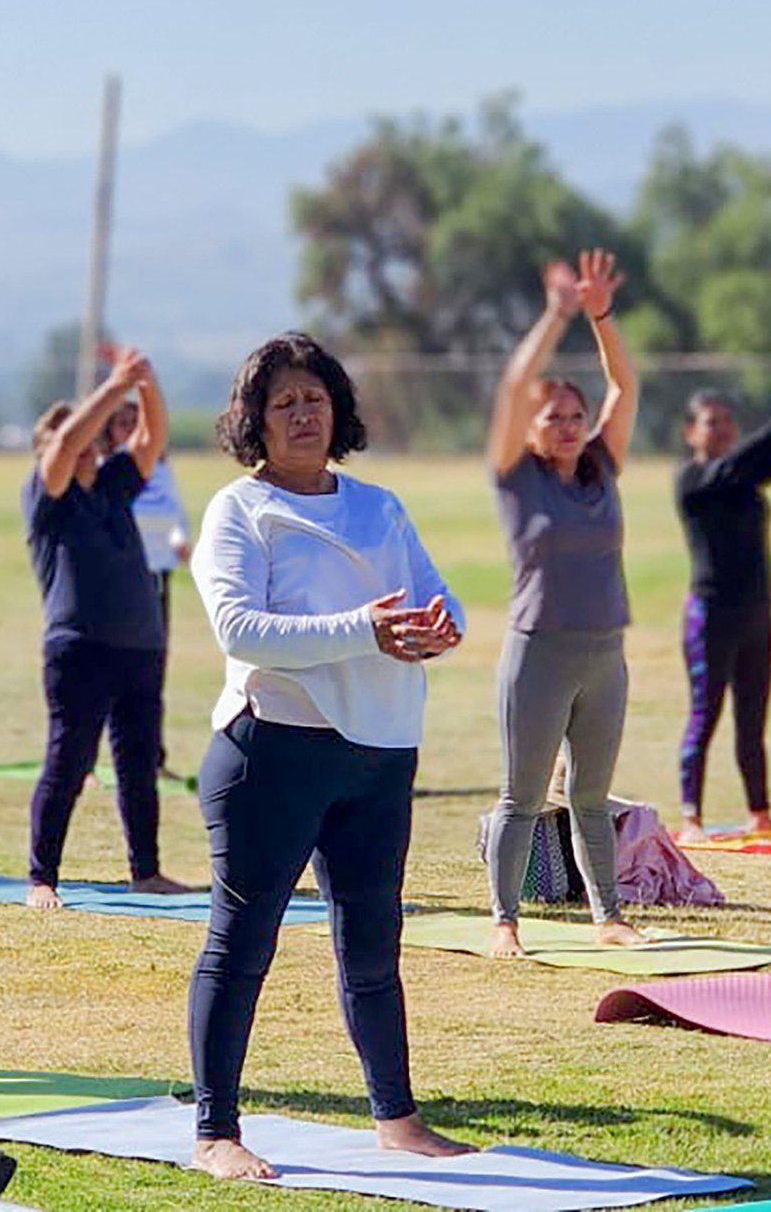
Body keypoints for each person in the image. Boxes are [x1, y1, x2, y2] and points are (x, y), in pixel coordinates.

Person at [186, 333, 474, 1182]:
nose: (304, 412)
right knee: (242, 944)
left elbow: (431, 591)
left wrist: (441, 626)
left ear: (338, 410)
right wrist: (365, 630)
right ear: (255, 422)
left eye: (315, 397)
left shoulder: (379, 505)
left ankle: (399, 1118)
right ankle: (214, 1131)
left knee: (373, 944)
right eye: (284, 402)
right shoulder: (239, 509)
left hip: (380, 752)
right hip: (272, 750)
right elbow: (241, 629)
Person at [485, 249, 647, 956]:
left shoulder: (601, 467)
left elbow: (625, 383)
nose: (567, 424)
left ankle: (608, 916)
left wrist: (601, 315)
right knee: (523, 797)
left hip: (605, 653)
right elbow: (517, 381)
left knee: (589, 795)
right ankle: (505, 922)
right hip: (539, 653)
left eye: (575, 414)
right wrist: (557, 314)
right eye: (553, 416)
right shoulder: (516, 476)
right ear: (528, 426)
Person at [22, 347, 188, 908]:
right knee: (69, 762)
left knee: (139, 766)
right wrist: (115, 385)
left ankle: (147, 870)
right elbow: (66, 443)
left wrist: (146, 383)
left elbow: (151, 437)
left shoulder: (114, 484)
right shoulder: (50, 498)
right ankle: (42, 878)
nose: (85, 448)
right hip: (80, 648)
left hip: (138, 645)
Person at [670, 374, 771, 841]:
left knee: (752, 720)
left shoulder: (744, 479)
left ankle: (760, 812)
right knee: (704, 714)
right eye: (711, 423)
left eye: (728, 422)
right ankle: (691, 817)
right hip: (710, 616)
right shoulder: (692, 481)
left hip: (756, 613)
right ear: (691, 432)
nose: (722, 429)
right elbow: (732, 464)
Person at [113, 387, 193, 781]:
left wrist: (180, 541)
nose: (129, 430)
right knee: (111, 668)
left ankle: (152, 758)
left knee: (153, 665)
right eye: (122, 423)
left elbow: (176, 513)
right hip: (119, 576)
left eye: (135, 422)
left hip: (156, 574)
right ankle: (102, 759)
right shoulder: (107, 469)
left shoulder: (160, 469)